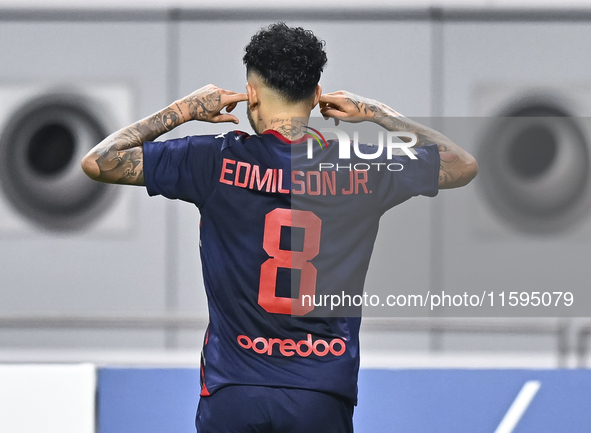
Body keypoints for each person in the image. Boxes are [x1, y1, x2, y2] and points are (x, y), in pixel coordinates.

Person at [82, 22, 477, 433]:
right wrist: (377, 113)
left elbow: (100, 161)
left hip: (234, 388)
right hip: (320, 393)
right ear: (317, 95)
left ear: (251, 92)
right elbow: (461, 165)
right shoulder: (363, 166)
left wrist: (183, 111)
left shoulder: (213, 160)